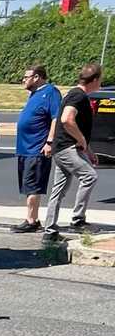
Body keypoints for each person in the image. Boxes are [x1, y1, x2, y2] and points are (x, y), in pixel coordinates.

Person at [42, 63, 102, 243]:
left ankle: (49, 231)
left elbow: (72, 124)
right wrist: (82, 141)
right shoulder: (78, 95)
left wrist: (88, 150)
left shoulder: (72, 93)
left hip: (61, 148)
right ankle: (78, 220)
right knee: (90, 176)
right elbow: (67, 119)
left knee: (58, 190)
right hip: (67, 148)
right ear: (96, 80)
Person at [10, 65, 61, 233]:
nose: (24, 80)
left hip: (36, 148)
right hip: (25, 148)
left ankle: (31, 220)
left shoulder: (51, 93)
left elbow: (56, 118)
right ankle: (34, 219)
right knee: (27, 185)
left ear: (37, 77)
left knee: (32, 185)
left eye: (26, 77)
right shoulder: (34, 94)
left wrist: (50, 141)